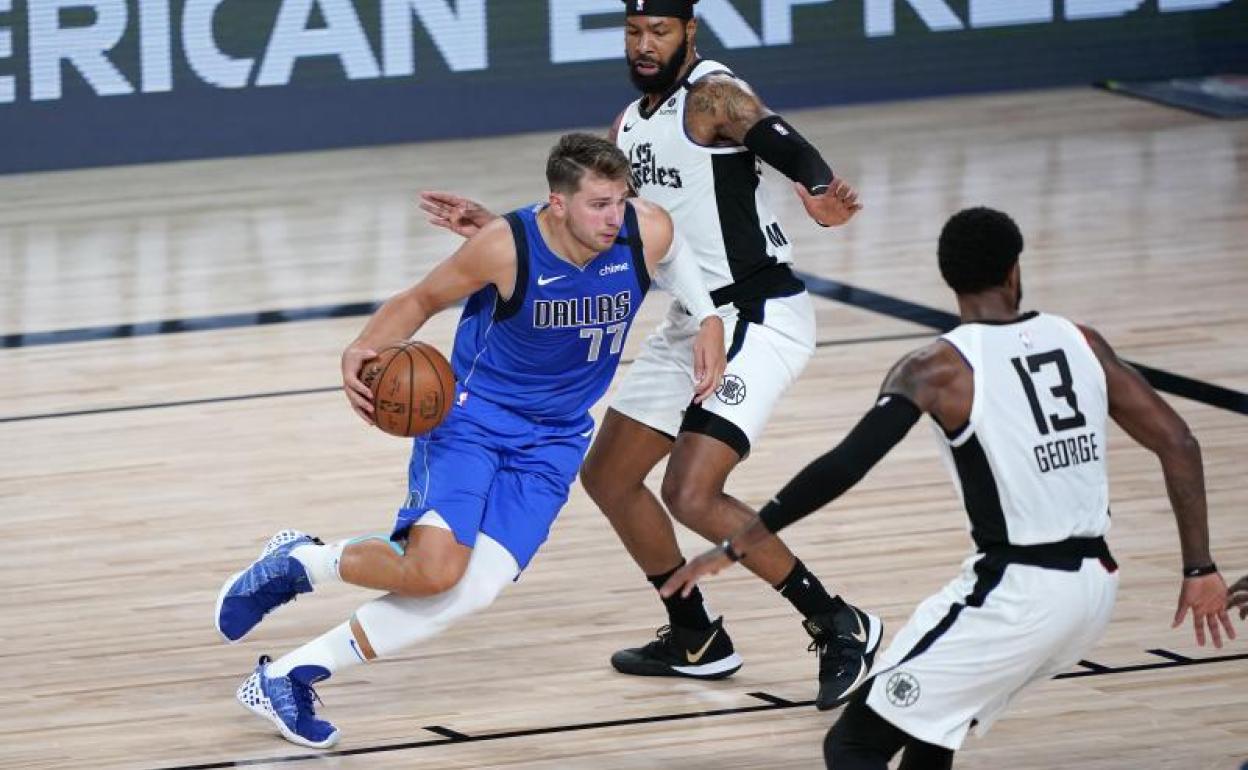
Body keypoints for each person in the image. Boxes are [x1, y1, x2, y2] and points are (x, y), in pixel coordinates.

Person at [416, 0, 877, 710]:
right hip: (691, 319)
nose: (643, 43)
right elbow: (607, 218)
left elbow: (781, 140)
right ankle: (696, 637)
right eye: (633, 31)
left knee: (692, 491)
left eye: (658, 30)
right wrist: (503, 232)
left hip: (756, 314)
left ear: (689, 32)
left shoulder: (713, 96)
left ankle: (839, 623)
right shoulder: (630, 124)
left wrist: (816, 190)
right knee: (609, 476)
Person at [661, 207, 1236, 768]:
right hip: (1095, 589)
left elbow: (846, 465)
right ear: (1015, 270)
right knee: (932, 734)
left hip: (1016, 593)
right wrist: (1197, 568)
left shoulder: (936, 368)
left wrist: (737, 546)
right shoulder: (1080, 340)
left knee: (853, 746)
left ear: (948, 280)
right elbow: (1179, 443)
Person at [213, 133, 726, 749]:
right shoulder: (505, 247)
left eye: (619, 201)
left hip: (557, 438)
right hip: (473, 422)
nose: (613, 217)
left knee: (473, 588)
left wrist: (710, 317)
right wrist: (361, 348)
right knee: (433, 571)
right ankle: (303, 562)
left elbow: (674, 255)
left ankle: (287, 675)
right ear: (557, 203)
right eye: (597, 204)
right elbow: (420, 299)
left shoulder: (645, 229)